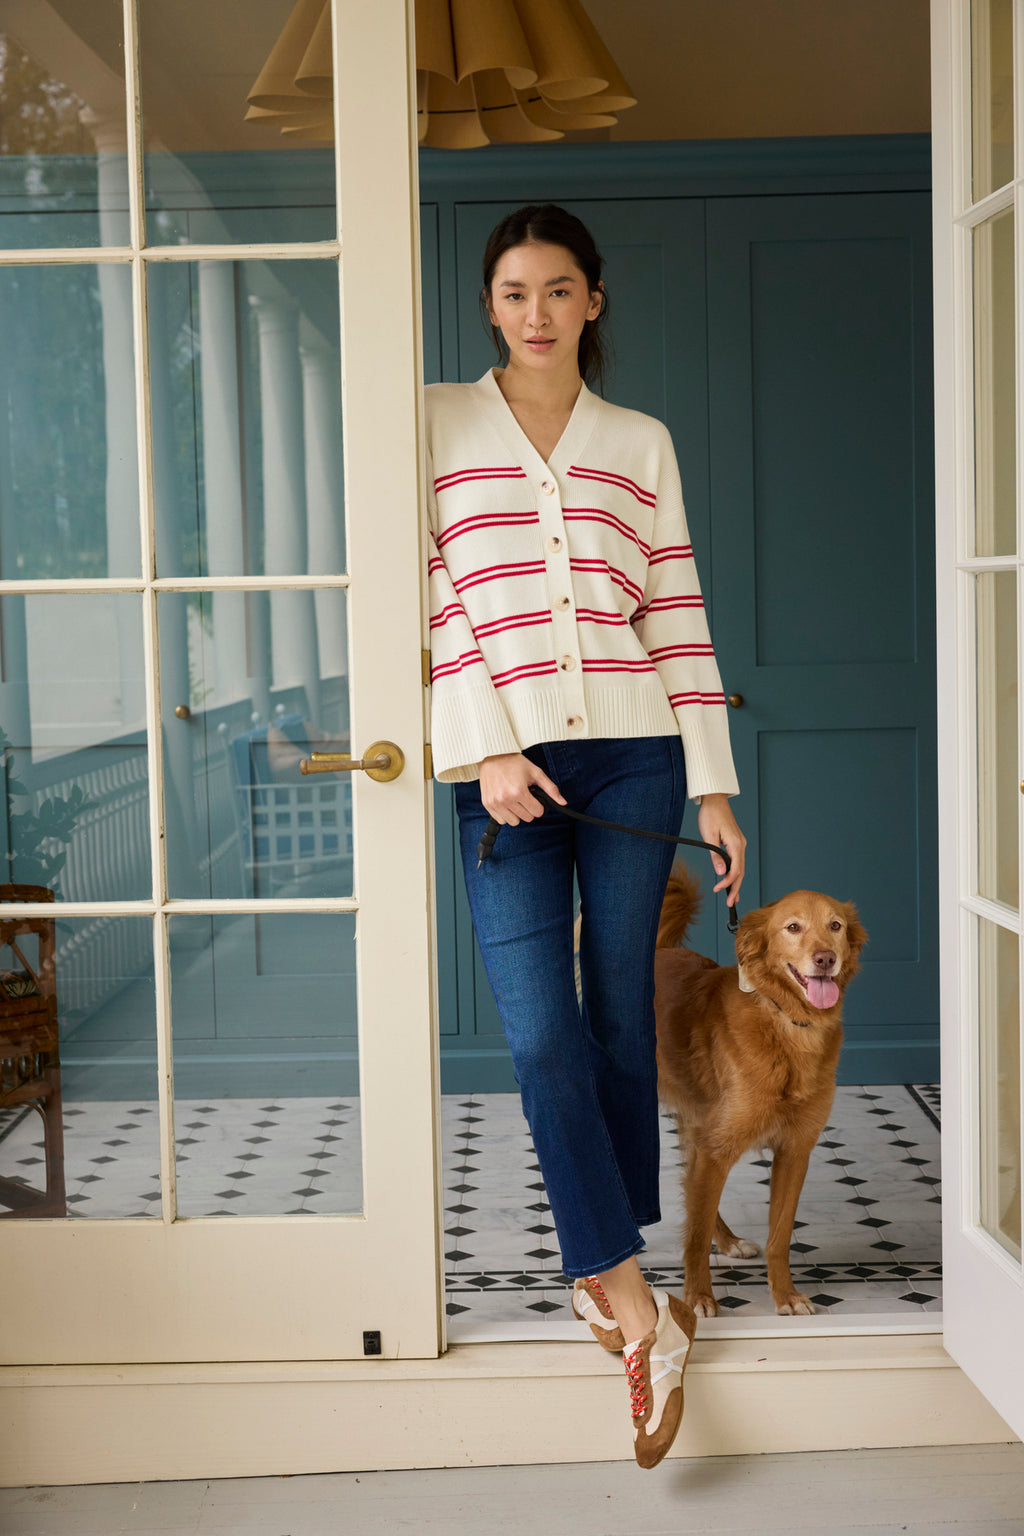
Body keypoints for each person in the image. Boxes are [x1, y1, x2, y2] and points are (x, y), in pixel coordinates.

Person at [425, 204, 745, 1469]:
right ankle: (630, 1299)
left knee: (620, 1009)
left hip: (634, 751)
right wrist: (481, 744)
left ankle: (611, 1275)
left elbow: (672, 606)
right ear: (489, 304)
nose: (537, 311)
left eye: (560, 289)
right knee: (541, 1026)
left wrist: (711, 787)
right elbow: (431, 587)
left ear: (594, 302)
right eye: (514, 291)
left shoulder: (639, 441)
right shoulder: (438, 421)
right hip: (493, 763)